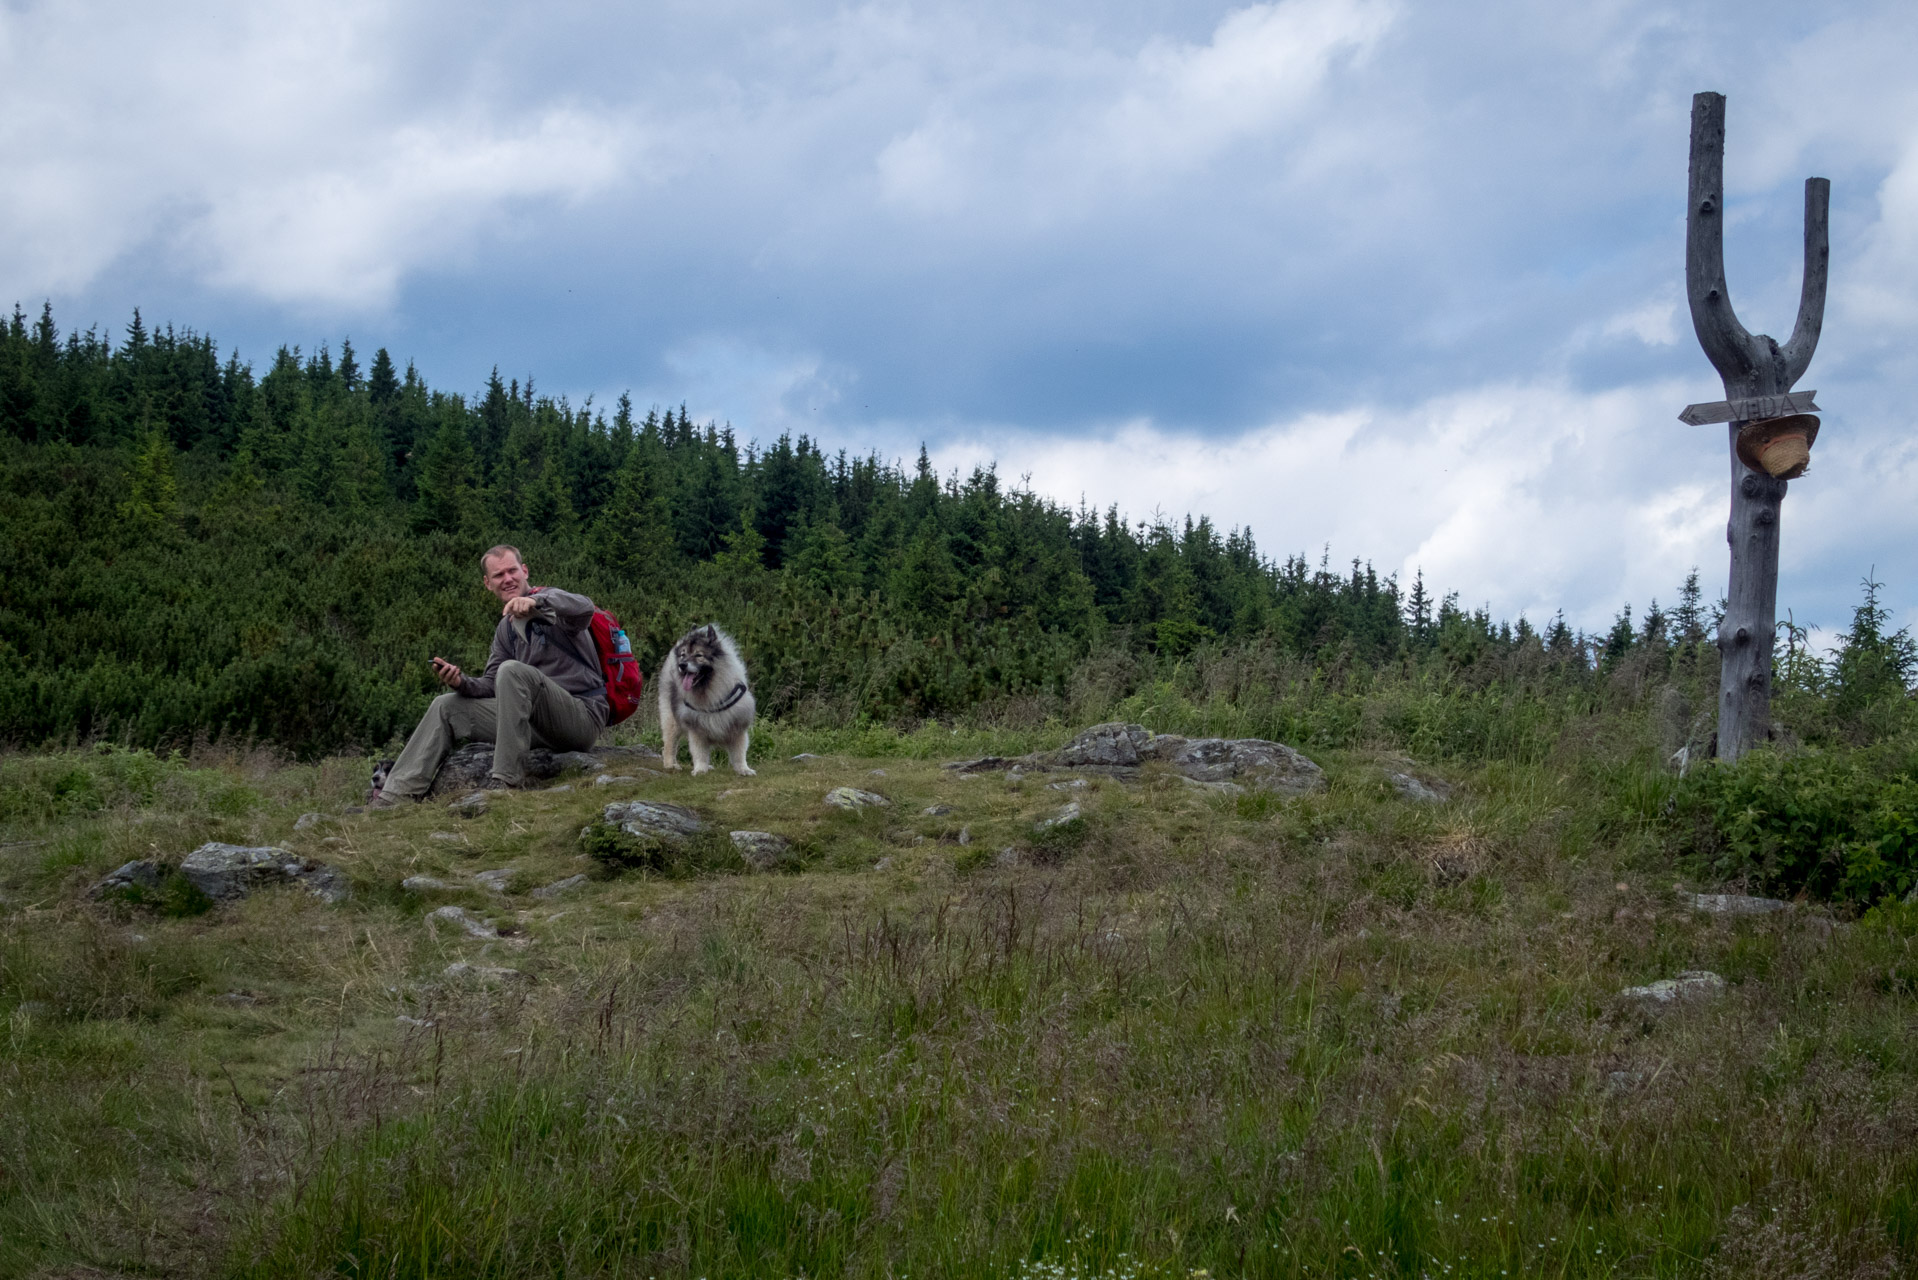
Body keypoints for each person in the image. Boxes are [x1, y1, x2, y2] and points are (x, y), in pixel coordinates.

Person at [369, 545, 607, 805]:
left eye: (512, 571)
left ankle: (505, 782)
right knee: (445, 706)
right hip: (534, 724)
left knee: (512, 670)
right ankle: (392, 799)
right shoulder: (505, 630)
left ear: (524, 571)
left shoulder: (552, 606)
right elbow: (492, 684)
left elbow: (584, 607)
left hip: (580, 718)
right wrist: (461, 682)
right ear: (487, 583)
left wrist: (537, 601)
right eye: (498, 575)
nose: (507, 579)